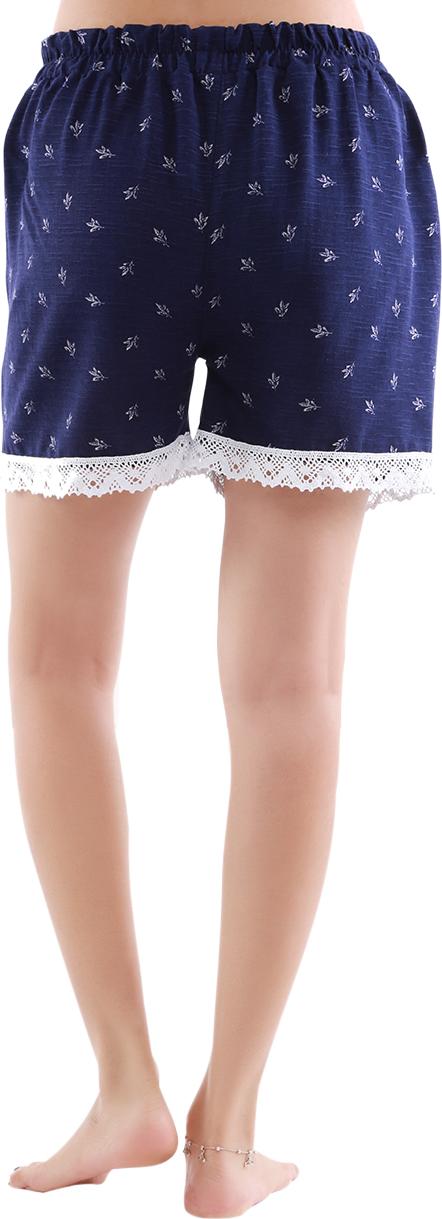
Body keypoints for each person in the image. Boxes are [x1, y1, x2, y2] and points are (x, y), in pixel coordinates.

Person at [1, 0, 440, 1213]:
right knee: (292, 680)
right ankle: (227, 1136)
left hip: (108, 122)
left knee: (55, 656)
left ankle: (125, 1086)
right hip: (322, 132)